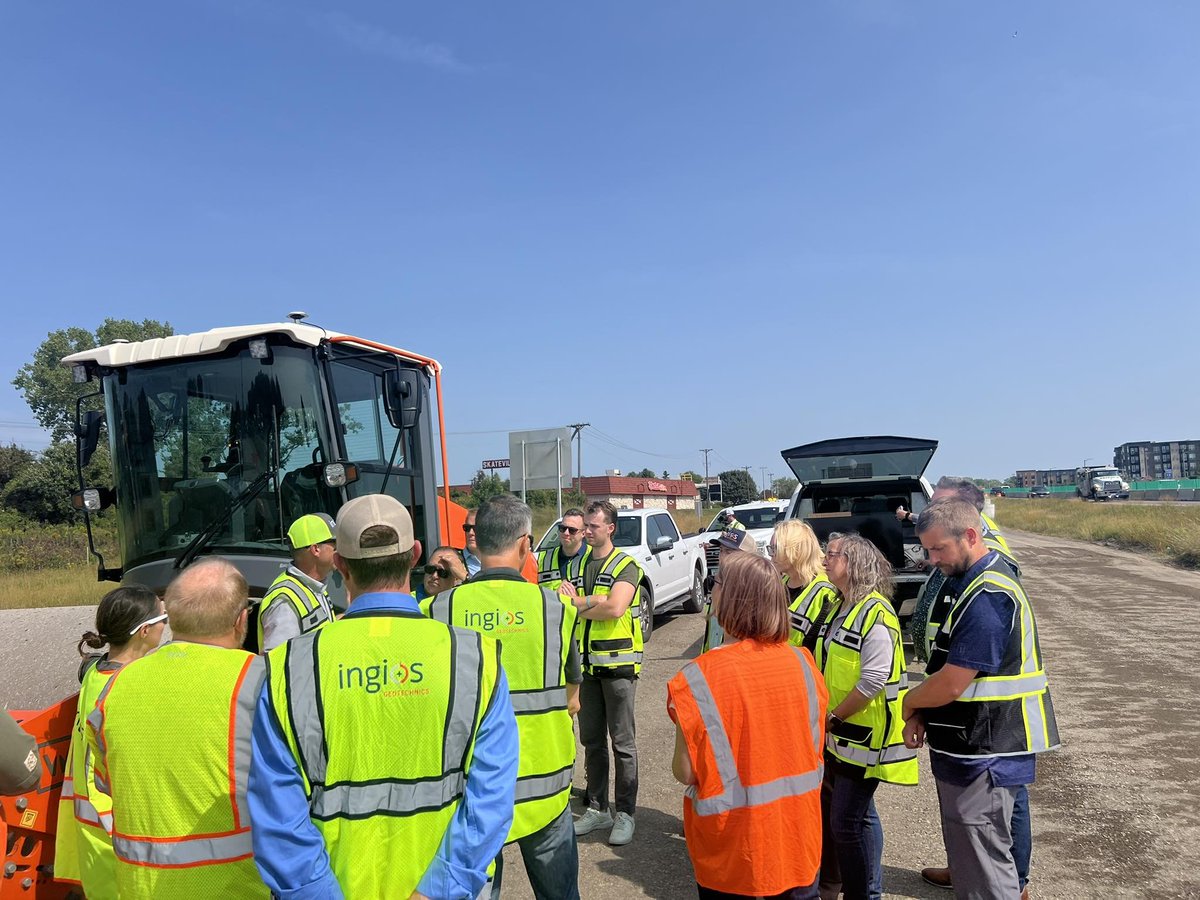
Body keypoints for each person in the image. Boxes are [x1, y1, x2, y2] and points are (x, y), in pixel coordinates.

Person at [249, 494, 519, 899]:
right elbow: (491, 798)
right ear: (415, 555)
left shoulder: (288, 667)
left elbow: (277, 816)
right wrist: (437, 889)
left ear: (339, 564)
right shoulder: (475, 656)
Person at [422, 496, 582, 900]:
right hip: (545, 785)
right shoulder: (555, 609)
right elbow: (573, 697)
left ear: (476, 542)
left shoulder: (438, 610)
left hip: (471, 788)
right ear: (526, 544)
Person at [903, 499, 1059, 900]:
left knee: (987, 867)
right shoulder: (970, 581)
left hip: (986, 748)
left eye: (939, 549)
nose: (932, 559)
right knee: (974, 860)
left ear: (970, 536)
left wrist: (910, 702)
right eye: (927, 550)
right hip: (971, 743)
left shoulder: (988, 593)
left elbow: (954, 681)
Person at [86, 559, 269, 899]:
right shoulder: (260, 679)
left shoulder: (114, 688)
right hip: (236, 887)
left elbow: (107, 784)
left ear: (171, 618)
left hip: (140, 889)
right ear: (242, 620)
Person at [668, 552, 827, 899]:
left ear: (733, 598)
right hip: (798, 843)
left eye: (717, 583)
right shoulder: (804, 665)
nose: (712, 589)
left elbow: (685, 771)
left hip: (734, 856)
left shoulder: (697, 678)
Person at [816, 533, 917, 900]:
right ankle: (870, 890)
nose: (825, 560)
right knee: (861, 817)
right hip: (846, 736)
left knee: (844, 824)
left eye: (832, 555)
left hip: (864, 737)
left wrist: (833, 718)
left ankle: (861, 894)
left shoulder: (875, 612)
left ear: (855, 564)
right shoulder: (838, 604)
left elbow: (873, 679)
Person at [55, 585, 166, 899]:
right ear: (144, 631)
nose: (165, 627)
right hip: (120, 842)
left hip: (96, 840)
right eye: (164, 619)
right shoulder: (129, 689)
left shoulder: (94, 673)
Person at [559, 500, 643, 846]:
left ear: (610, 528)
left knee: (623, 743)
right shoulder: (577, 566)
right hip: (587, 667)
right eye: (585, 527)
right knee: (591, 742)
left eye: (593, 526)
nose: (586, 531)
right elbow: (569, 604)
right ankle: (598, 808)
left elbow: (615, 607)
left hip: (619, 667)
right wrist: (593, 600)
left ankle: (625, 813)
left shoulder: (626, 564)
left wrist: (581, 601)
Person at [256, 513, 337, 653]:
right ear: (315, 549)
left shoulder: (315, 586)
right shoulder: (285, 602)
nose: (340, 551)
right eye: (335, 546)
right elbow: (278, 663)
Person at [769, 520, 838, 654]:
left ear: (796, 550)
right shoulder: (780, 583)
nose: (771, 554)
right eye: (770, 548)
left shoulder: (826, 592)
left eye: (775, 548)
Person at [700, 528, 757, 653]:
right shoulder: (718, 586)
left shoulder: (752, 594)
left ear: (748, 557)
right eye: (721, 551)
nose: (722, 557)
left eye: (729, 552)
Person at [537, 507, 591, 593]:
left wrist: (577, 601)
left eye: (572, 530)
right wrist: (556, 596)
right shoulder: (542, 559)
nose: (566, 533)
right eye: (562, 528)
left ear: (583, 533)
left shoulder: (593, 557)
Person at [463, 507, 483, 576]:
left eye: (476, 528)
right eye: (467, 528)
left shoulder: (499, 561)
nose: (470, 533)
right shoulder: (455, 560)